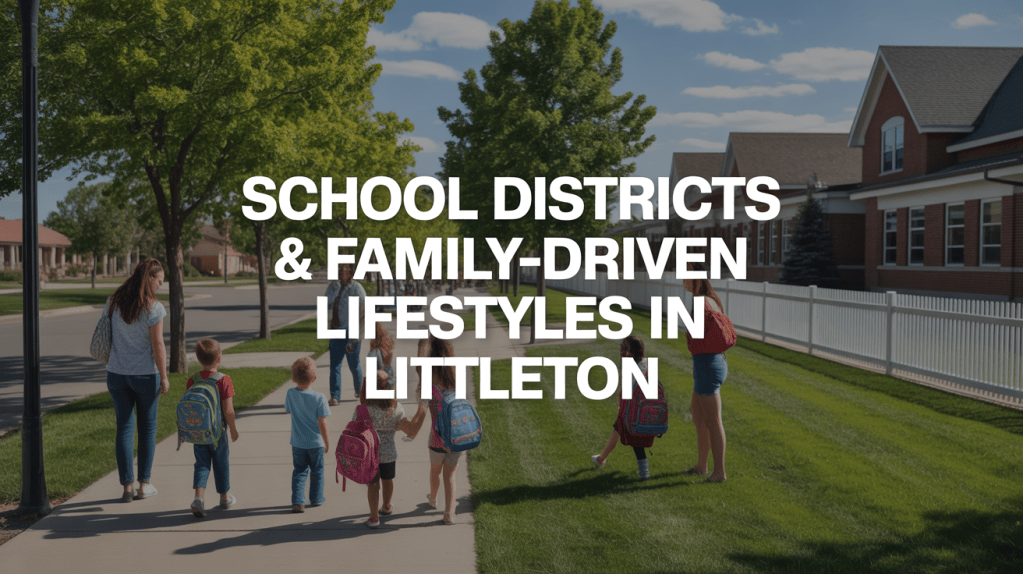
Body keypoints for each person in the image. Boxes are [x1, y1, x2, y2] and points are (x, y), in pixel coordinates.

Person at [103, 258, 168, 502]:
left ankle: (127, 488)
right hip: (145, 376)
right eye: (159, 281)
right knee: (147, 429)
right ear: (150, 278)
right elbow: (158, 344)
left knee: (124, 428)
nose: (160, 285)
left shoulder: (113, 301)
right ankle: (144, 485)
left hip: (116, 375)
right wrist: (164, 376)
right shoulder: (154, 307)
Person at [405, 335, 461, 525]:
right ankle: (449, 513)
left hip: (437, 438)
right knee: (450, 476)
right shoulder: (454, 378)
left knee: (435, 472)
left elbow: (420, 414)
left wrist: (410, 432)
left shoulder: (427, 385)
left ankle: (433, 499)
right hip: (457, 437)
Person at [682, 264, 730, 483]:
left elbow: (697, 333)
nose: (682, 279)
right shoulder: (710, 300)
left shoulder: (701, 302)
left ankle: (719, 472)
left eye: (685, 275)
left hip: (707, 364)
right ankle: (701, 466)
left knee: (712, 420)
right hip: (709, 362)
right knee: (699, 416)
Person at [187, 338, 239, 518]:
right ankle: (224, 497)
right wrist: (232, 429)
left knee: (201, 464)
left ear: (198, 359)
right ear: (219, 359)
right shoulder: (224, 380)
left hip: (198, 432)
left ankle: (198, 498)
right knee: (221, 462)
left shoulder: (193, 379)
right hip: (217, 433)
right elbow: (228, 410)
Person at [591, 335, 655, 480]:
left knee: (636, 443)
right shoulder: (645, 363)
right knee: (617, 430)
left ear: (628, 352)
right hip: (645, 409)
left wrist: (622, 408)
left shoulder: (630, 368)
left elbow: (626, 393)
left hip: (632, 411)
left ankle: (644, 473)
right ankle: (601, 458)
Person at [357, 370, 411, 528]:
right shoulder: (396, 408)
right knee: (388, 480)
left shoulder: (364, 409)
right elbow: (403, 425)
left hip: (369, 454)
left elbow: (356, 426)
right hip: (388, 454)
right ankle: (387, 506)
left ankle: (374, 518)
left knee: (373, 485)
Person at [285, 357, 331, 512]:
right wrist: (327, 442)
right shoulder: (320, 398)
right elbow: (322, 422)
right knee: (317, 471)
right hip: (316, 443)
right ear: (314, 378)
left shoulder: (290, 394)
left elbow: (288, 410)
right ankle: (316, 498)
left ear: (293, 378)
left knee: (299, 471)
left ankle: (298, 501)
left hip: (298, 442)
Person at [324, 263, 366, 405]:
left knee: (354, 364)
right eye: (339, 269)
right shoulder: (334, 286)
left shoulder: (356, 288)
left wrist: (357, 335)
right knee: (334, 365)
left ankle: (360, 391)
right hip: (337, 330)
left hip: (351, 331)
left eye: (344, 270)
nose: (341, 272)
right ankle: (335, 396)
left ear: (351, 273)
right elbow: (325, 302)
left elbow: (364, 312)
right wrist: (333, 289)